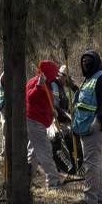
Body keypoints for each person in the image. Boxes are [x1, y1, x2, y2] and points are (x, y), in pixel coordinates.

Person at [70, 50, 102, 204]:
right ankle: (98, 198)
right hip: (84, 126)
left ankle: (90, 199)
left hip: (95, 127)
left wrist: (97, 120)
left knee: (91, 164)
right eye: (83, 61)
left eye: (88, 61)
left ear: (96, 62)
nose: (85, 64)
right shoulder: (88, 79)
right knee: (95, 163)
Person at [24, 60, 66, 189]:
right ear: (49, 72)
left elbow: (45, 100)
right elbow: (30, 98)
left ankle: (26, 179)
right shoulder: (35, 82)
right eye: (54, 72)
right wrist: (38, 86)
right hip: (35, 122)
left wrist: (52, 110)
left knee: (33, 153)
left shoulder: (47, 83)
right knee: (45, 151)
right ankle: (53, 182)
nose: (55, 76)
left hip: (39, 122)